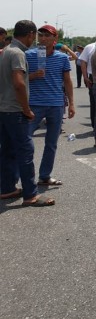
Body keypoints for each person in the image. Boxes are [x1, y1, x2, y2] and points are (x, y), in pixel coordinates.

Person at [0, 20, 55, 206]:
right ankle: (31, 195)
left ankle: (7, 188)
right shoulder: (17, 53)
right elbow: (19, 83)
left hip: (4, 109)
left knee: (7, 150)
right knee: (25, 152)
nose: (35, 39)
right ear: (30, 34)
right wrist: (26, 109)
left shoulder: (6, 51)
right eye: (35, 35)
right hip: (15, 110)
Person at [26, 24, 75, 186]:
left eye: (47, 35)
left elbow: (67, 81)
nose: (44, 38)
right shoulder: (28, 55)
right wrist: (33, 75)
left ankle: (45, 176)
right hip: (34, 104)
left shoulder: (62, 58)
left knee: (51, 143)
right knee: (25, 141)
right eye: (41, 35)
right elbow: (19, 79)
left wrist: (71, 104)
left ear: (55, 38)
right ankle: (23, 177)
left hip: (56, 104)